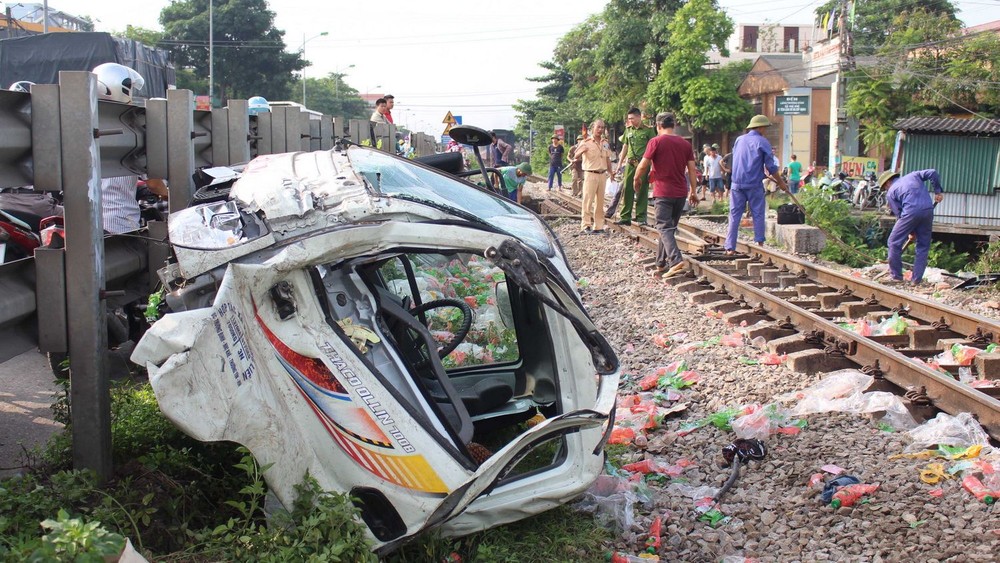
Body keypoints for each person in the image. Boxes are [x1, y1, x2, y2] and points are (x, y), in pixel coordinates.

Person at [634, 112, 699, 279]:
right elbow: (692, 170)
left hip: (663, 192)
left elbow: (643, 165)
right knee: (668, 230)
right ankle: (661, 263)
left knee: (663, 227)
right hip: (680, 193)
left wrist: (636, 179)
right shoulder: (685, 144)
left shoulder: (655, 141)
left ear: (658, 126)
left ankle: (676, 260)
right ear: (674, 125)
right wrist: (693, 191)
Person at [94, 63, 151, 234]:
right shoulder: (132, 131)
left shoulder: (80, 122)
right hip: (120, 222)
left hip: (83, 224)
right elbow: (155, 184)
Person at [724, 115, 787, 253]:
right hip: (753, 184)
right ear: (761, 127)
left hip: (736, 184)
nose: (766, 130)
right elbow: (771, 167)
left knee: (734, 215)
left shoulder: (739, 140)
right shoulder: (763, 142)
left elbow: (738, 159)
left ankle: (730, 247)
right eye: (765, 128)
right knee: (758, 213)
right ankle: (759, 244)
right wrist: (781, 183)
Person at [878, 169, 944, 284]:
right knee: (923, 246)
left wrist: (910, 231)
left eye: (885, 187)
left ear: (888, 182)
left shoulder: (891, 192)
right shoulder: (914, 175)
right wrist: (938, 192)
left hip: (910, 212)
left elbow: (899, 214)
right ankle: (916, 280)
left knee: (893, 242)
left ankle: (896, 276)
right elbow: (932, 172)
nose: (886, 190)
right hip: (928, 211)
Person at [608, 107, 654, 225]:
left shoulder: (648, 131)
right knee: (627, 189)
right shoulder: (628, 130)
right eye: (629, 119)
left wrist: (653, 167)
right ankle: (625, 217)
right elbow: (625, 146)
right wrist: (619, 163)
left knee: (642, 190)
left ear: (639, 117)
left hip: (643, 164)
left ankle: (641, 217)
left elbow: (653, 149)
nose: (630, 121)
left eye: (632, 118)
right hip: (630, 164)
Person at [574, 120, 613, 233]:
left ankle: (598, 226)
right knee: (588, 200)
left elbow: (607, 158)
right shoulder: (586, 142)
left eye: (602, 127)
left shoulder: (605, 143)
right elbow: (576, 155)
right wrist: (581, 151)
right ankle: (586, 225)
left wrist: (611, 172)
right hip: (590, 174)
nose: (600, 130)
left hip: (602, 174)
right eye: (598, 127)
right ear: (592, 128)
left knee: (600, 202)